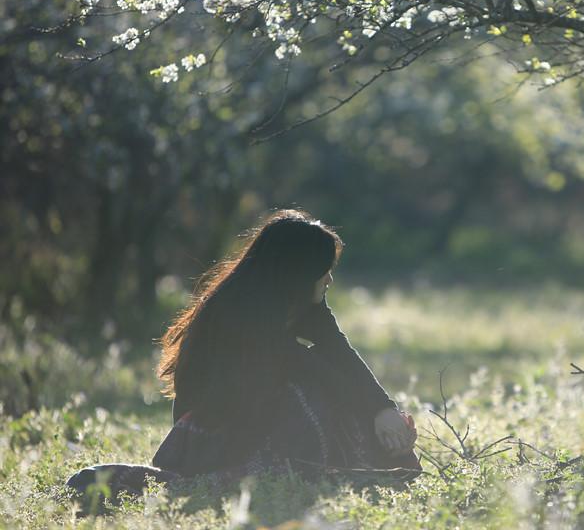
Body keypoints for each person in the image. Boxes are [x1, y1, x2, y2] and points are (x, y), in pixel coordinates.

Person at [67, 209, 419, 500]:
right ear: (298, 272)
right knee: (312, 396)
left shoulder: (300, 300)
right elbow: (312, 368)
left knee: (330, 397)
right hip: (218, 428)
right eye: (322, 271)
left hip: (264, 416)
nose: (328, 280)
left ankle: (379, 468)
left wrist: (383, 409)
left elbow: (339, 352)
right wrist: (373, 411)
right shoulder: (240, 309)